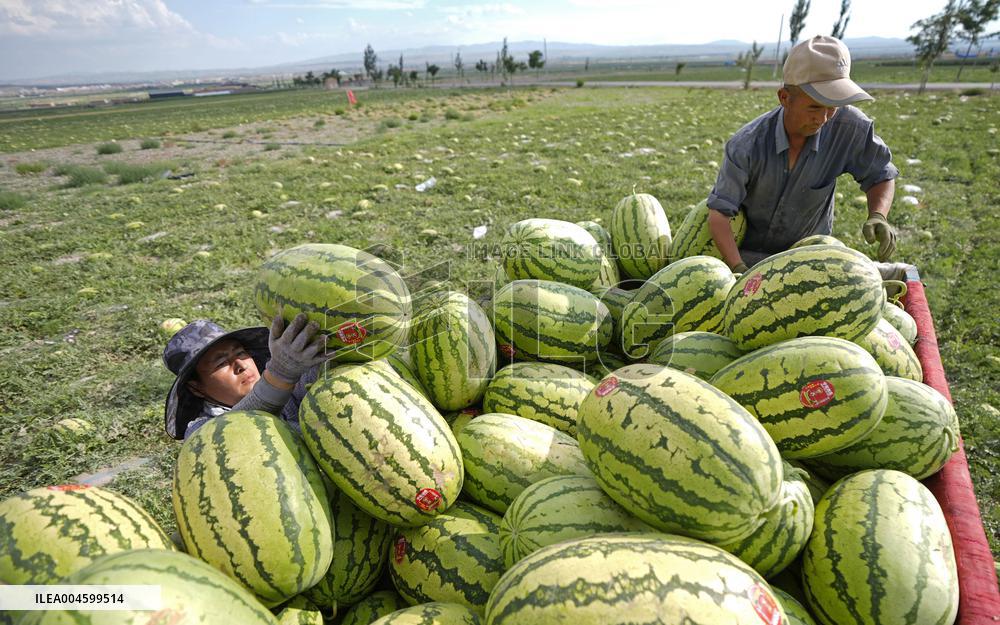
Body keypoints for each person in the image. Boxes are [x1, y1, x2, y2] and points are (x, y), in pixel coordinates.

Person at [706, 35, 899, 272]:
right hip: (747, 256)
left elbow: (880, 174)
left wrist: (878, 215)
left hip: (809, 258)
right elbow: (719, 215)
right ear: (785, 98)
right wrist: (737, 268)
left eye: (833, 106)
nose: (824, 118)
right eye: (815, 107)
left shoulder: (850, 128)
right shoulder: (746, 144)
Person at [162, 312, 328, 440]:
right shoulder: (200, 433)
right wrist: (280, 374)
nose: (241, 365)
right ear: (196, 387)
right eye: (221, 363)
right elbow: (231, 433)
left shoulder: (291, 386)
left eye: (240, 353)